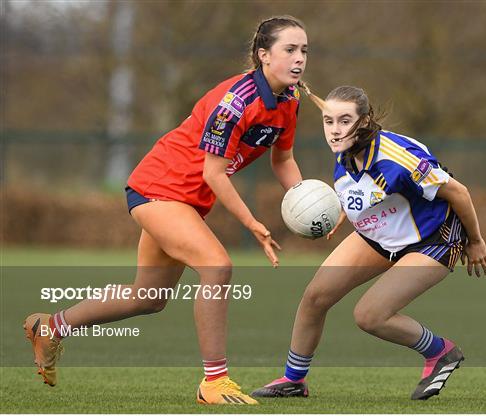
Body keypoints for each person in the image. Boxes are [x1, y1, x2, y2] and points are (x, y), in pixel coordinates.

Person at [23, 15, 311, 405]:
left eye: (304, 50)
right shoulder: (235, 103)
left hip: (184, 201)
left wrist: (309, 205)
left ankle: (51, 327)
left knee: (149, 297)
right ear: (263, 55)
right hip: (159, 189)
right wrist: (253, 223)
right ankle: (214, 383)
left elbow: (283, 160)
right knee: (217, 266)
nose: (299, 59)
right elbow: (214, 174)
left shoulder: (288, 101)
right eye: (289, 50)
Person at [252, 85, 486, 400]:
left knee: (370, 316)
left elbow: (458, 192)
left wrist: (475, 241)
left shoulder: (397, 158)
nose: (335, 130)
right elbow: (369, 191)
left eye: (344, 120)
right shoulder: (345, 147)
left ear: (364, 122)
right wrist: (346, 210)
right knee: (315, 297)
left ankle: (441, 352)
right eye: (328, 121)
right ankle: (294, 380)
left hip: (435, 238)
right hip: (383, 232)